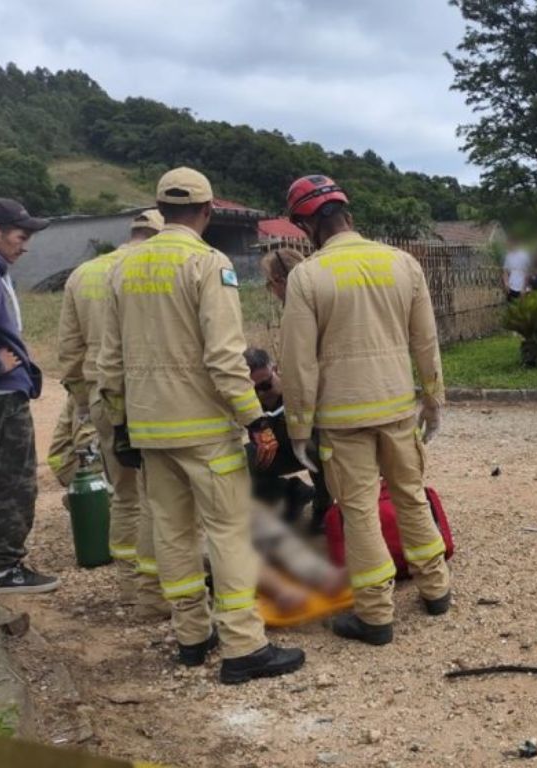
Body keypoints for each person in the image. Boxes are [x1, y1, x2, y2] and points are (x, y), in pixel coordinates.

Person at [98, 167, 304, 683]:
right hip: (204, 430)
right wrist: (254, 417)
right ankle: (243, 646)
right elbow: (224, 357)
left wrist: (121, 423)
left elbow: (109, 359)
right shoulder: (208, 265)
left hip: (148, 429)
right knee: (229, 533)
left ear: (160, 209)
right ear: (209, 212)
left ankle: (191, 636)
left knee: (171, 531)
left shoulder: (122, 269)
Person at [280, 174, 451, 646]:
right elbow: (426, 341)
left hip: (342, 419)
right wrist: (434, 401)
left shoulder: (307, 277)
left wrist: (298, 427)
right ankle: (436, 589)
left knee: (358, 511)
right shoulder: (402, 263)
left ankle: (376, 616)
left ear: (307, 226)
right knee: (410, 495)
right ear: (346, 213)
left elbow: (298, 361)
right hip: (398, 408)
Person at [57, 208, 169, 616]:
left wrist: (84, 403)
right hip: (149, 395)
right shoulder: (152, 270)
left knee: (123, 495)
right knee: (161, 497)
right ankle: (157, 589)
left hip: (102, 396)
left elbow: (69, 352)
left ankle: (128, 588)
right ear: (159, 234)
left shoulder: (82, 274)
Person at [0, 198, 58, 594]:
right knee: (17, 478)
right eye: (20, 236)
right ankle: (3, 570)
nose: (25, 245)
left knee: (3, 471)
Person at [243, 347, 332, 531]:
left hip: (309, 449)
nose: (261, 393)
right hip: (275, 453)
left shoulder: (297, 390)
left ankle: (323, 506)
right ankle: (292, 492)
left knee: (313, 449)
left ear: (274, 369)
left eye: (265, 385)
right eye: (254, 389)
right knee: (239, 460)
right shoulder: (248, 402)